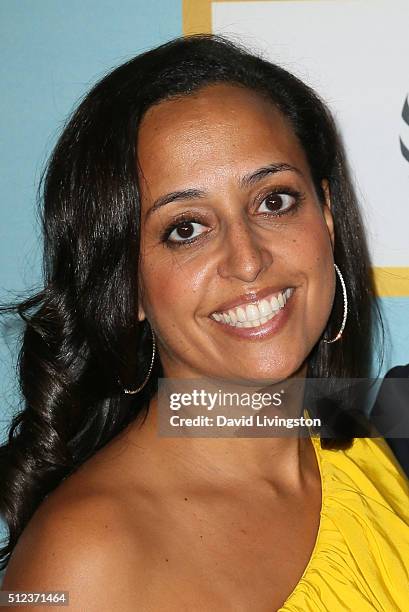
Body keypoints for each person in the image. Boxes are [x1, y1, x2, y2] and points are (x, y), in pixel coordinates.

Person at [0, 34, 408, 611]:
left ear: (328, 219)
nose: (248, 261)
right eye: (185, 228)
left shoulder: (385, 446)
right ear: (127, 285)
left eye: (274, 201)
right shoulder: (83, 562)